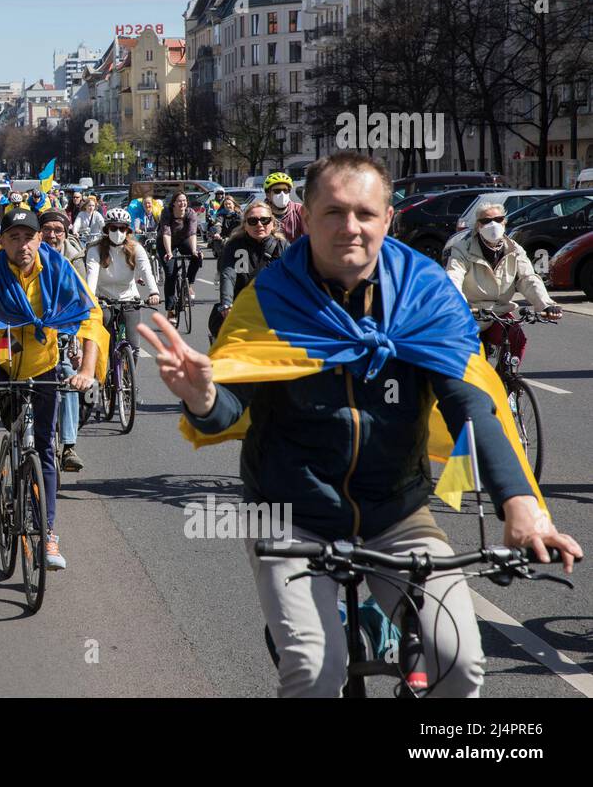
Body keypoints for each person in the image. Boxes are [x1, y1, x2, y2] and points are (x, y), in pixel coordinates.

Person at [141, 152, 581, 698]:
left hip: (396, 511)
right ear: (305, 214)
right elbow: (230, 407)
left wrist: (520, 507)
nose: (350, 227)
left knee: (458, 666)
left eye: (365, 214)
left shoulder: (425, 291)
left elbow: (470, 405)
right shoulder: (271, 297)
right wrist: (203, 395)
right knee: (315, 671)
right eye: (333, 212)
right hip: (291, 513)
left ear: (388, 218)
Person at [0, 209, 108, 571]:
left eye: (28, 236)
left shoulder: (58, 267)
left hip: (42, 360)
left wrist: (87, 370)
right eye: (14, 237)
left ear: (39, 239)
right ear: (2, 240)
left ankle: (50, 532)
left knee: (43, 447)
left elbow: (90, 315)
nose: (22, 244)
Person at [445, 202, 562, 361]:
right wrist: (458, 305)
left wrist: (546, 304)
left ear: (505, 222)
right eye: (486, 221)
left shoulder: (515, 250)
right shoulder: (462, 249)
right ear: (478, 225)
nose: (493, 224)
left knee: (516, 338)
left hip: (500, 312)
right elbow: (454, 277)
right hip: (471, 313)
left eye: (498, 219)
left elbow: (528, 278)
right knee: (470, 357)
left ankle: (508, 377)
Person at [85, 209, 162, 406]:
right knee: (104, 345)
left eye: (122, 228)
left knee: (134, 346)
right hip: (103, 299)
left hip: (129, 299)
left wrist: (154, 293)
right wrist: (91, 298)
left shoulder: (136, 248)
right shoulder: (94, 249)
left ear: (128, 230)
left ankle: (128, 381)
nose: (117, 232)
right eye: (113, 228)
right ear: (106, 229)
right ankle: (103, 381)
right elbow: (92, 276)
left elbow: (147, 272)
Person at [38, 209, 91, 473]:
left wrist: (76, 343)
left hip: (64, 328)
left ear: (65, 233)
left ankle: (68, 446)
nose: (52, 235)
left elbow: (82, 302)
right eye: (47, 229)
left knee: (68, 377)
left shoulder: (74, 258)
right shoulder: (27, 254)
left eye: (58, 230)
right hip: (31, 329)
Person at [208, 200, 283, 341]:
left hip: (274, 311)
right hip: (240, 308)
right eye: (253, 221)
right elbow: (228, 274)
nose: (259, 224)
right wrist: (226, 303)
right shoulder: (234, 245)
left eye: (265, 220)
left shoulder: (283, 246)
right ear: (245, 225)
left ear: (272, 223)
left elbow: (297, 278)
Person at [160, 191, 202, 319]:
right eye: (179, 201)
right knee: (170, 274)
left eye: (184, 200)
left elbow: (192, 233)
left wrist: (194, 250)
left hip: (184, 239)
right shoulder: (167, 212)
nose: (182, 203)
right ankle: (171, 309)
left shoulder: (190, 213)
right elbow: (166, 232)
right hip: (166, 242)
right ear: (173, 203)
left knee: (197, 257)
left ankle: (189, 284)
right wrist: (168, 253)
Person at [264, 172, 305, 243]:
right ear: (268, 194)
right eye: (277, 191)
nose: (282, 194)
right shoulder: (261, 212)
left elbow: (311, 235)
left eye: (286, 190)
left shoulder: (299, 210)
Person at [208, 194, 242, 260]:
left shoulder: (239, 215)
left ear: (234, 204)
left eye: (229, 204)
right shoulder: (220, 215)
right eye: (226, 204)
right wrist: (217, 233)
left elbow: (241, 226)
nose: (228, 206)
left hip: (236, 238)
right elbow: (218, 224)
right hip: (223, 239)